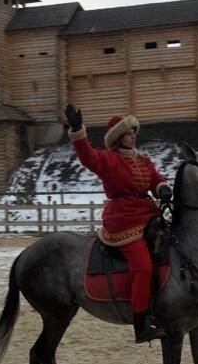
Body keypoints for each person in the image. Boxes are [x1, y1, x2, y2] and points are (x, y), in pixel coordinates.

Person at [65, 104, 172, 344]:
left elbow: (156, 179)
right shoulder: (108, 160)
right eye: (128, 132)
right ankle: (141, 325)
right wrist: (78, 131)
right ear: (117, 138)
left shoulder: (143, 160)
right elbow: (87, 157)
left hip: (148, 213)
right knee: (143, 266)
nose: (133, 135)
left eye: (134, 132)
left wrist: (163, 188)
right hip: (123, 219)